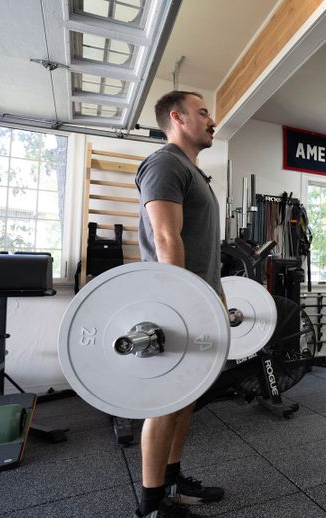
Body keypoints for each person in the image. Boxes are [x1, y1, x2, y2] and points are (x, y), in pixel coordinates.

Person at [134, 91, 224, 518]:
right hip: (173, 305)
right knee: (165, 402)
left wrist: (217, 297)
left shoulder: (193, 171)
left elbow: (207, 249)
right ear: (177, 117)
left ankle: (172, 482)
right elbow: (167, 240)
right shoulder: (166, 163)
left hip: (196, 301)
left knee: (185, 398)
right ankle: (153, 505)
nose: (212, 120)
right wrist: (183, 304)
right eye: (203, 112)